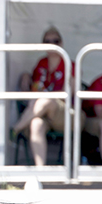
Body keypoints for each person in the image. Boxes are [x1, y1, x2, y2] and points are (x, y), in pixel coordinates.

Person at [12, 27, 73, 166]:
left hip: (65, 112)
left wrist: (45, 97)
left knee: (45, 100)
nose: (52, 44)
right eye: (47, 41)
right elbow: (35, 88)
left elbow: (68, 93)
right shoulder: (41, 63)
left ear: (62, 43)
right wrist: (25, 78)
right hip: (42, 112)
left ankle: (16, 128)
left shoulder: (71, 64)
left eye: (55, 41)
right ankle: (41, 170)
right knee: (36, 124)